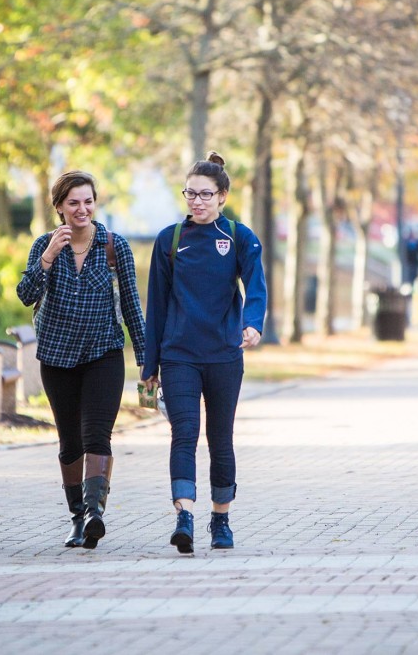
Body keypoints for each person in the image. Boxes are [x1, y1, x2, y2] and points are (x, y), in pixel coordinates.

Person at [141, 152, 267, 553]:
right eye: (190, 194)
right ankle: (184, 517)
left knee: (220, 438)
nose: (196, 201)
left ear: (222, 197)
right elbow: (156, 306)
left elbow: (256, 286)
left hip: (224, 355)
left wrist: (252, 322)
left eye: (205, 195)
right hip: (179, 355)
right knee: (184, 433)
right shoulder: (169, 240)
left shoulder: (239, 237)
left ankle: (221, 519)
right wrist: (150, 365)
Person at [16, 170, 146, 549]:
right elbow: (25, 295)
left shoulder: (113, 245)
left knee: (96, 435)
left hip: (103, 353)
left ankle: (94, 514)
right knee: (70, 441)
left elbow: (131, 306)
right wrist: (48, 257)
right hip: (57, 358)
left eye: (88, 201)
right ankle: (77, 518)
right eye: (73, 202)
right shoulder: (45, 244)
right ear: (59, 207)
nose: (82, 209)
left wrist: (145, 360)